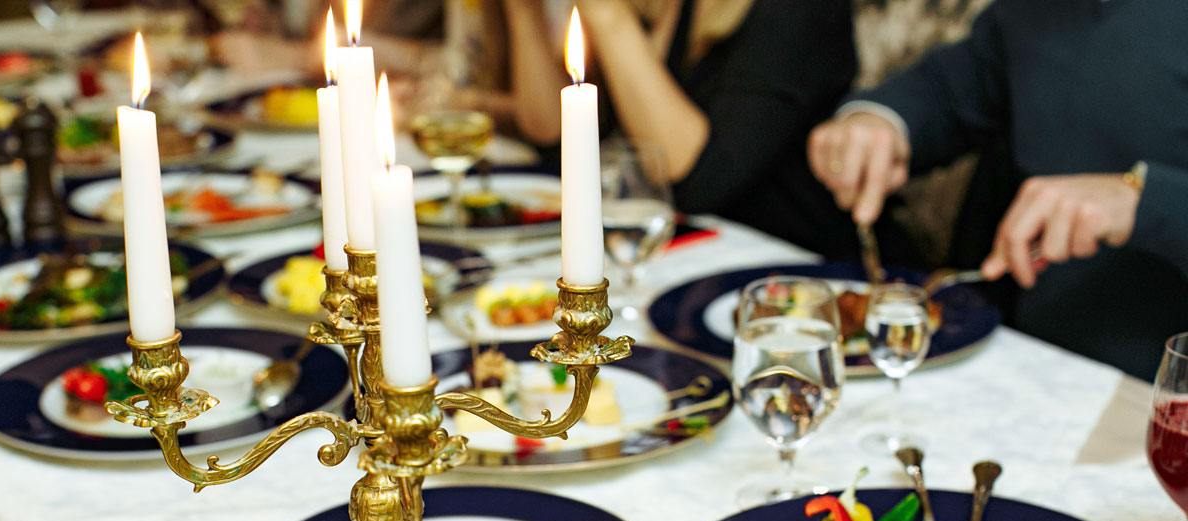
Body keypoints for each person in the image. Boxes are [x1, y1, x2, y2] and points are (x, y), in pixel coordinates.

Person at [807, 0, 1188, 380]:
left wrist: (1145, 200)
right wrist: (880, 121)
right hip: (1030, 358)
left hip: (1160, 388)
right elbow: (966, 81)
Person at [505, 0, 889, 262]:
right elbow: (554, 132)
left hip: (803, 275)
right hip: (694, 266)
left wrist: (605, 13)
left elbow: (699, 181)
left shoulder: (797, 10)